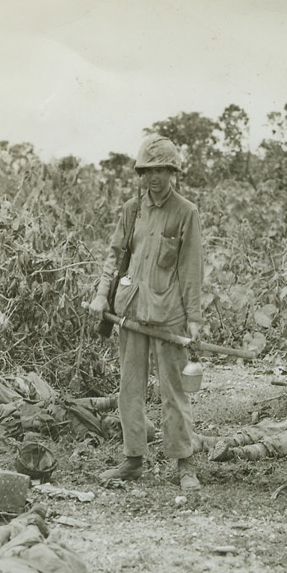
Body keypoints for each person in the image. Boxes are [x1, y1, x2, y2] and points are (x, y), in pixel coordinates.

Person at [87, 134, 205, 489]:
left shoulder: (186, 212)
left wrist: (195, 318)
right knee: (129, 388)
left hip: (169, 315)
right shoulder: (131, 210)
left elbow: (191, 268)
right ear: (140, 173)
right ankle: (133, 459)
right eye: (147, 171)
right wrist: (100, 295)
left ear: (173, 172)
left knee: (174, 391)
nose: (154, 178)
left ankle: (184, 464)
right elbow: (115, 256)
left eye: (161, 170)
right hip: (131, 311)